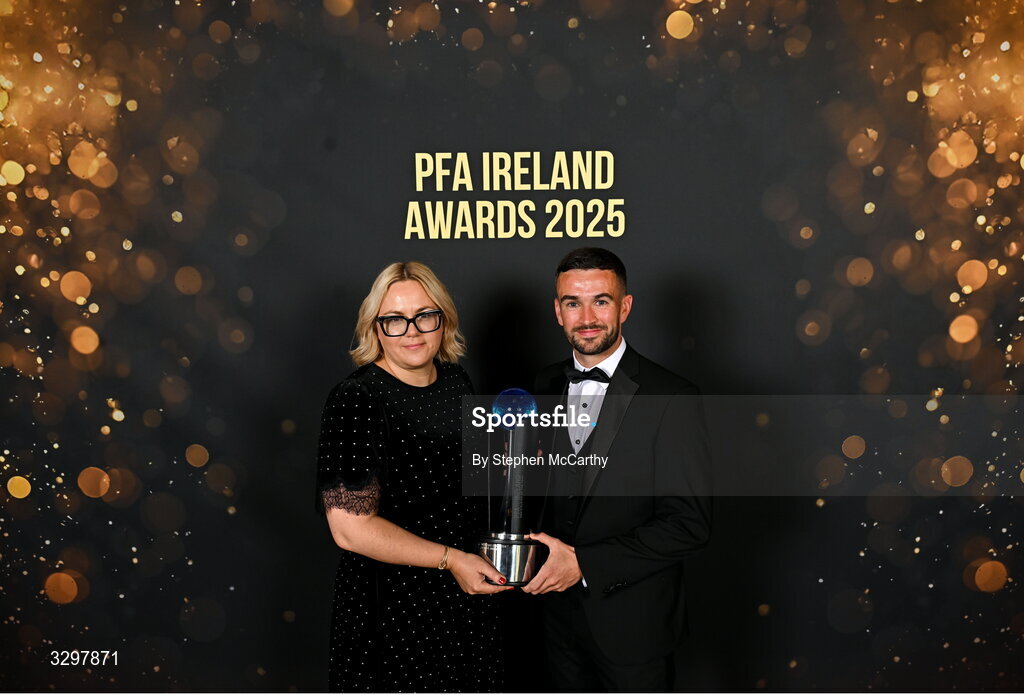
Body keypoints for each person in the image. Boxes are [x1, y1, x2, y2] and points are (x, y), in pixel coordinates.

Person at [314, 261, 511, 693]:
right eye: (394, 320)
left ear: (443, 319)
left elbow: (466, 485)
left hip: (466, 596)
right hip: (394, 607)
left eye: (425, 315)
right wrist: (452, 560)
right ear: (375, 328)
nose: (412, 331)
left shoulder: (457, 381)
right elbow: (350, 529)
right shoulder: (357, 399)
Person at [523, 247, 713, 692]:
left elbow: (690, 524)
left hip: (634, 630)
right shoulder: (543, 383)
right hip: (553, 623)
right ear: (557, 311)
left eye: (601, 301)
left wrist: (584, 563)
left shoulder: (674, 396)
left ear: (625, 306)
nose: (586, 316)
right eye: (573, 302)